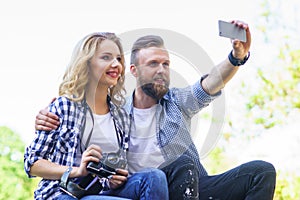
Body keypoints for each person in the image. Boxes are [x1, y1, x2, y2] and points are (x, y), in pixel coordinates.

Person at [35, 20, 276, 200]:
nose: (162, 70)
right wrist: (48, 115)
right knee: (177, 165)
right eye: (153, 64)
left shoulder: (177, 102)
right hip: (146, 190)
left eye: (166, 64)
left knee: (260, 172)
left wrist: (236, 57)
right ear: (134, 70)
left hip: (193, 187)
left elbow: (211, 83)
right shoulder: (115, 114)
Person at [24, 32, 169, 200]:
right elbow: (32, 163)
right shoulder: (64, 106)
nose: (116, 64)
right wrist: (77, 171)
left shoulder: (120, 117)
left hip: (100, 193)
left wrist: (113, 180)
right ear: (86, 63)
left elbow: (110, 173)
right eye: (106, 57)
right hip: (63, 194)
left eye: (118, 59)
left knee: (154, 177)